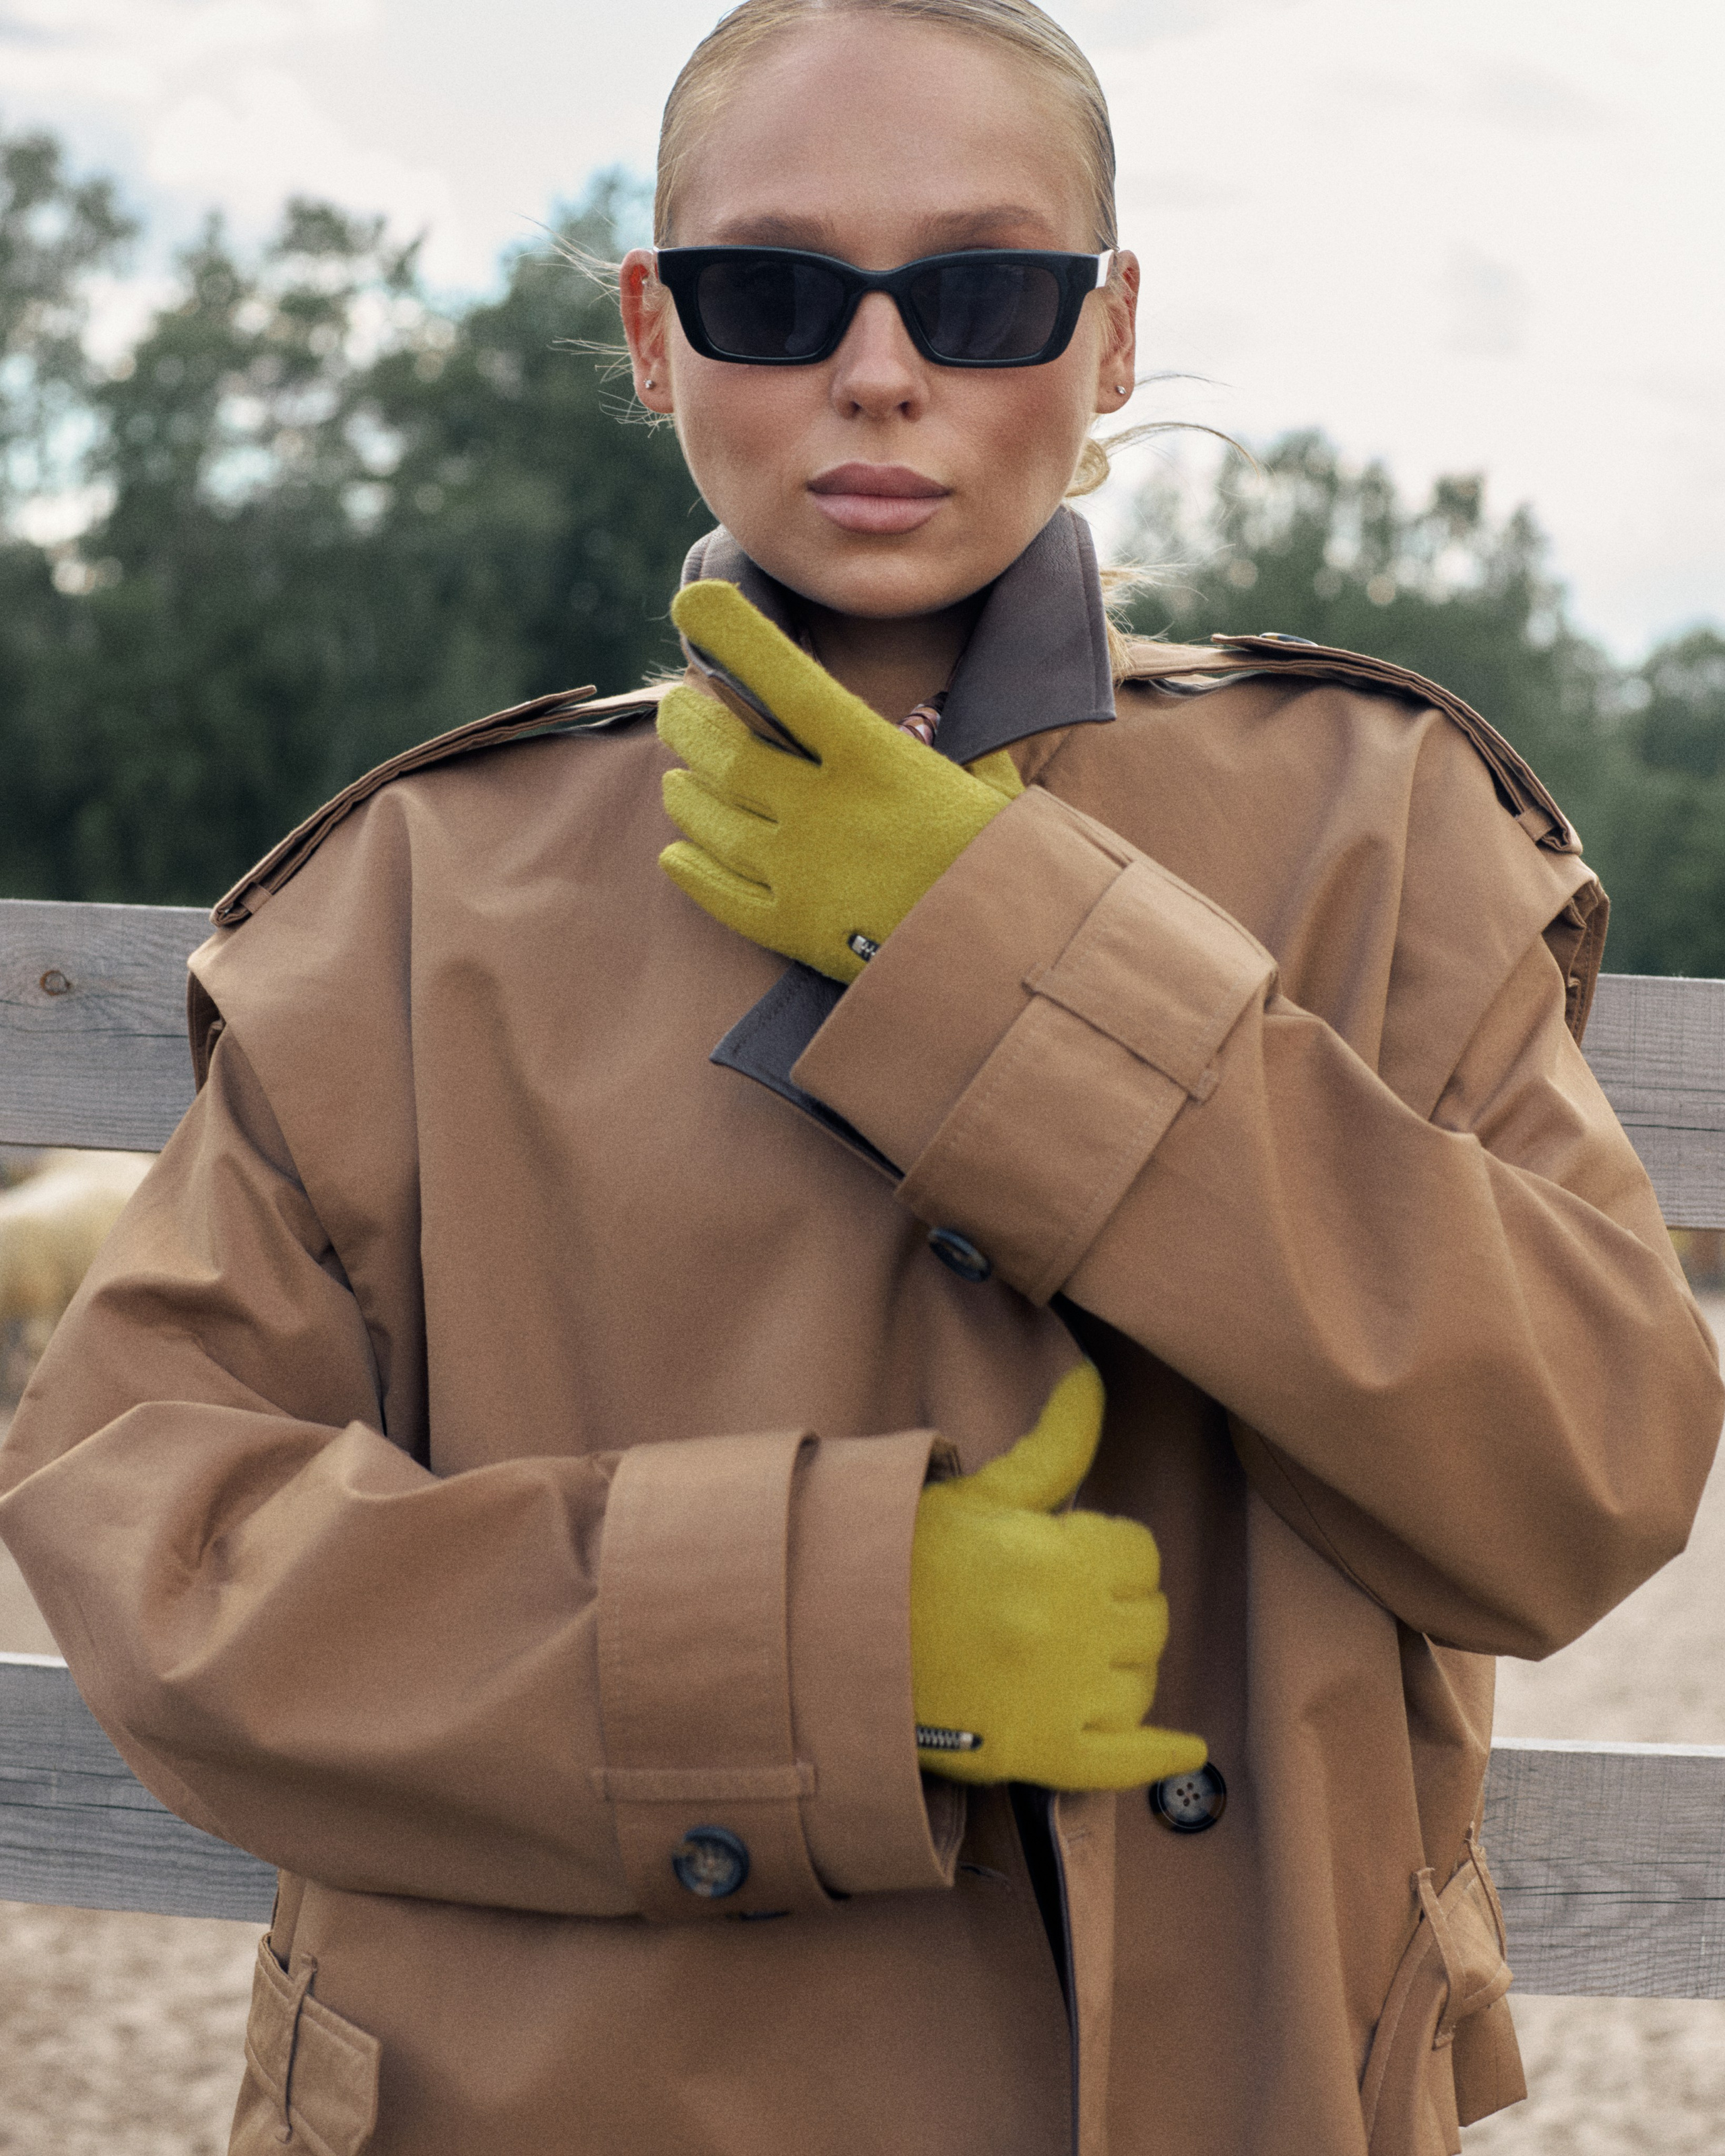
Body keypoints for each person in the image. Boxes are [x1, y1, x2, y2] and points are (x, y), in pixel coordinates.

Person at [0, 2, 1719, 2153]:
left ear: (1109, 334)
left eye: (984, 292)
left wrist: (1000, 951)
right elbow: (156, 1540)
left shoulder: (1380, 829)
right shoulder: (412, 896)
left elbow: (1582, 1482)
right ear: (655, 333)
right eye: (775, 292)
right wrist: (831, 1641)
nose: (881, 370)